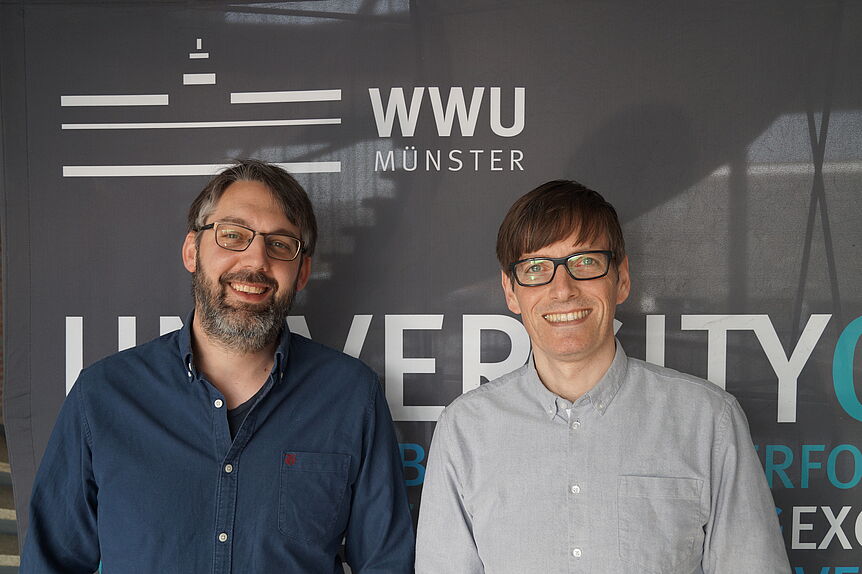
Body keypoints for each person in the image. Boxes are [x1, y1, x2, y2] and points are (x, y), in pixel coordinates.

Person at [22, 160, 414, 573]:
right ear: (192, 250)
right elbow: (51, 564)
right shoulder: (102, 395)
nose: (256, 260)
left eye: (281, 244)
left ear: (302, 273)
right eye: (233, 235)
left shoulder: (351, 397)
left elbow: (386, 564)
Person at [415, 180, 789, 573]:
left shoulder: (709, 421)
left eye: (585, 262)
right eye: (536, 268)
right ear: (511, 291)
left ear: (622, 278)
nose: (562, 290)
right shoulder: (464, 430)